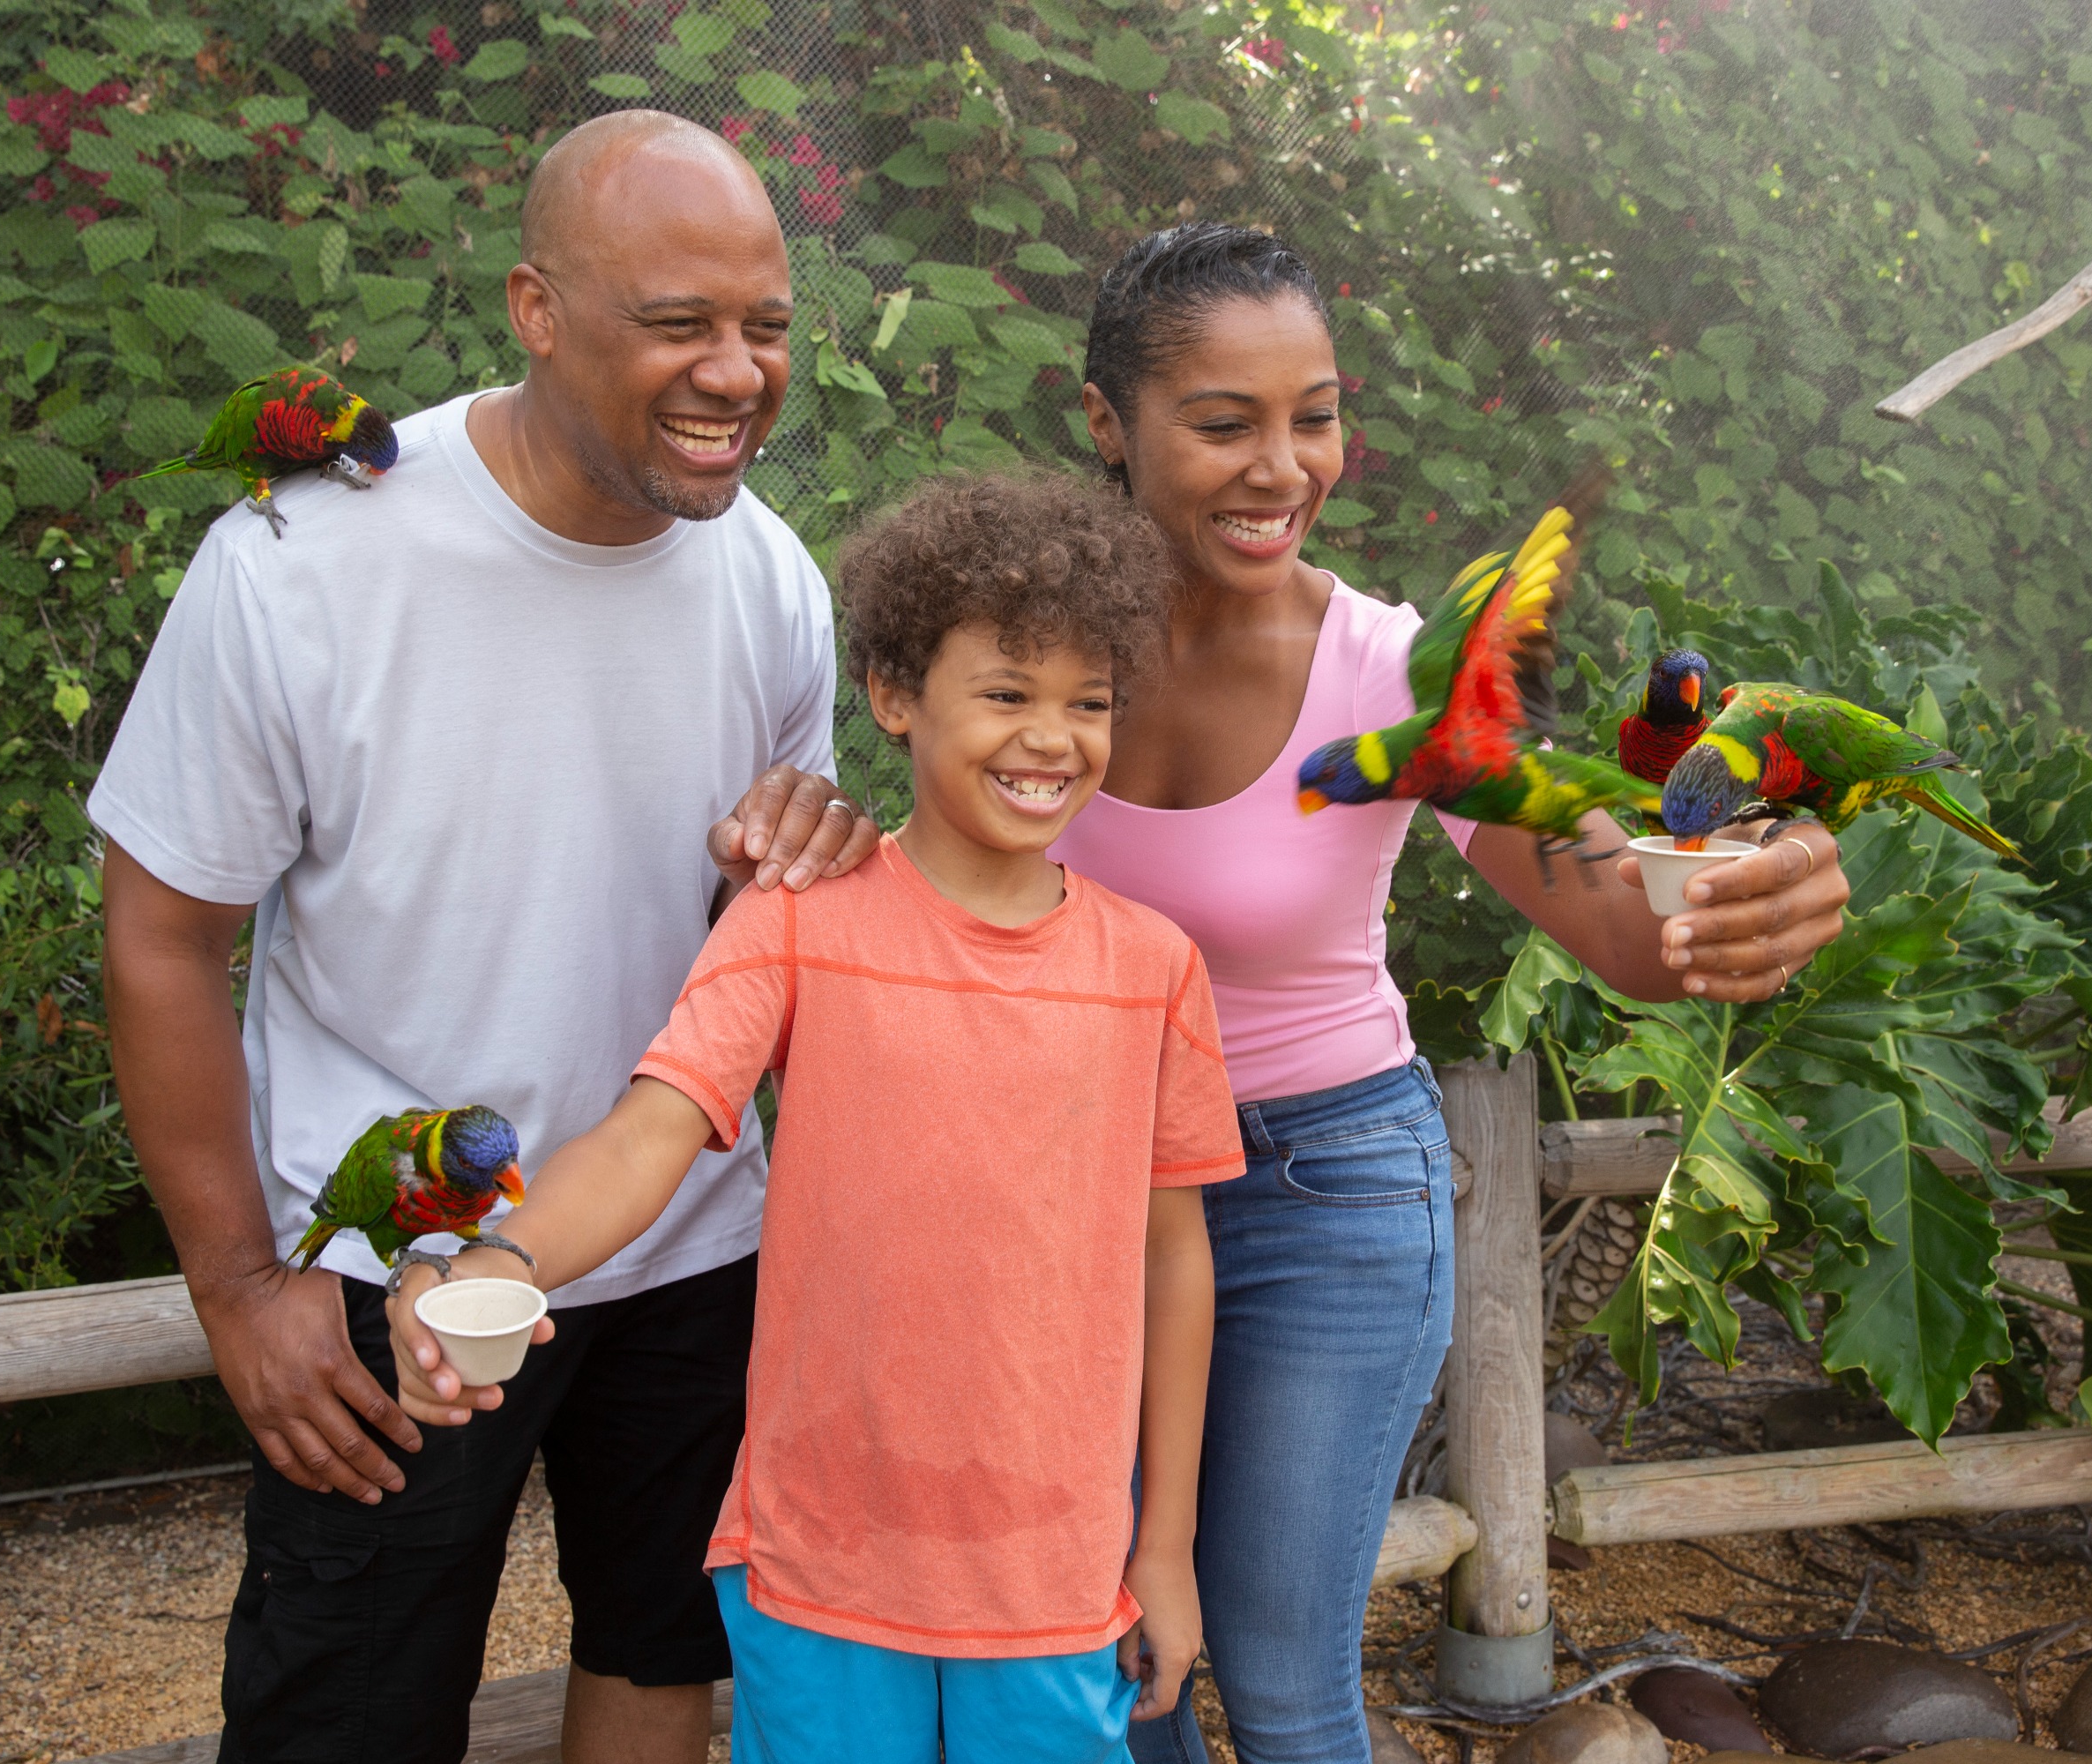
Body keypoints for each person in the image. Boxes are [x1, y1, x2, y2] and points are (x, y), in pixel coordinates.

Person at [93, 111, 878, 1764]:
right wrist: (241, 1287)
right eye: (679, 323)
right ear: (537, 308)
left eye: (768, 325)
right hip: (392, 1274)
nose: (737, 373)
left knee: (665, 1659)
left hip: (693, 1243)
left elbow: (763, 943)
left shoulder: (772, 579)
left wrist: (806, 866)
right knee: (349, 1710)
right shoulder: (300, 566)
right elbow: (163, 935)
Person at [1054, 223, 1857, 1764]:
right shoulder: (1026, 640)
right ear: (1107, 422)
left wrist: (1757, 889)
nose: (1282, 465)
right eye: (1224, 422)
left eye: (1317, 415)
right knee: (1108, 1676)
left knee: (1284, 1687)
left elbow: (1624, 925)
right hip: (1078, 1194)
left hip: (1321, 1193)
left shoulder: (1406, 675)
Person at [387, 469, 1238, 1764]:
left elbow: (1173, 1259)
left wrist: (1162, 1547)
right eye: (1006, 694)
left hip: (1055, 1575)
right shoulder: (795, 926)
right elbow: (646, 1133)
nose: (1051, 738)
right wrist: (501, 1257)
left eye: (1089, 702)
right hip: (820, 1562)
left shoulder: (1155, 969)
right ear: (897, 696)